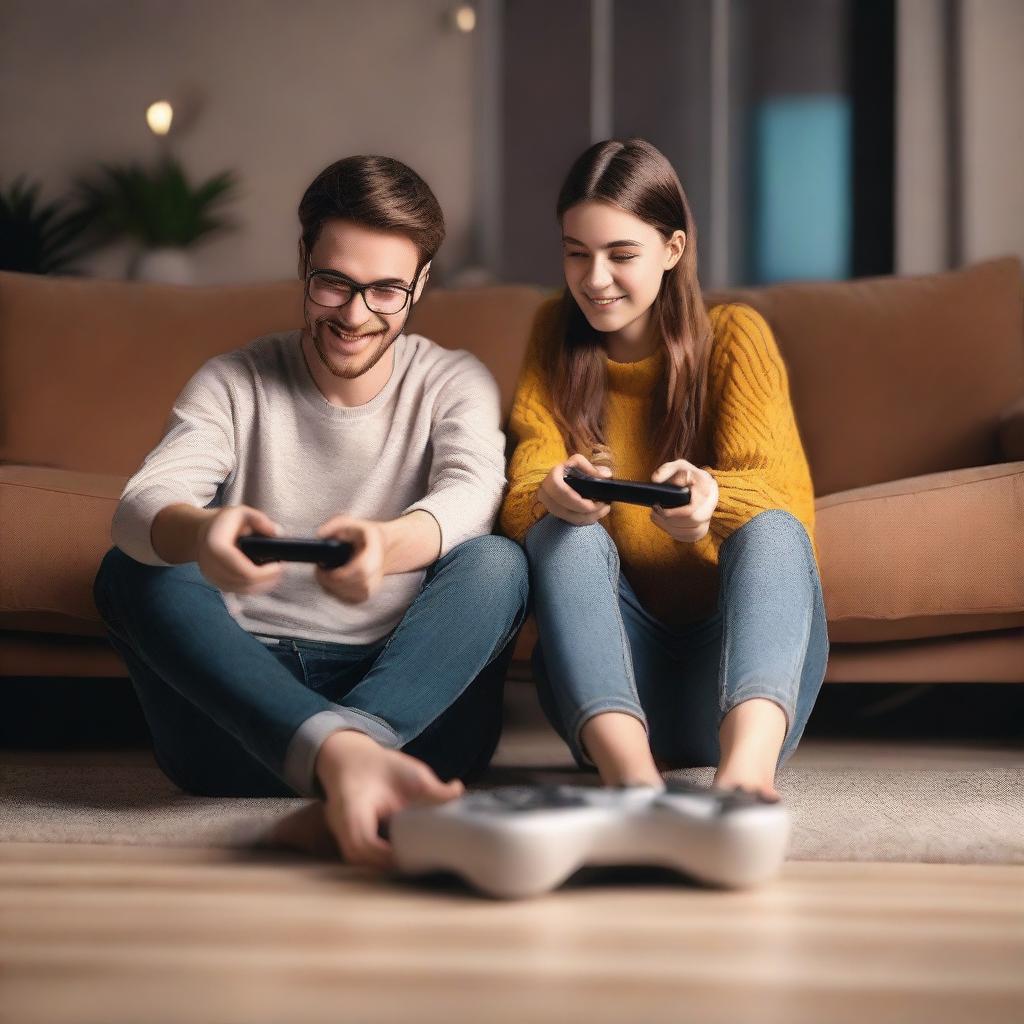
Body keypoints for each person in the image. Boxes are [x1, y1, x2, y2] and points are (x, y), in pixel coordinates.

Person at [93, 155, 529, 868]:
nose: (355, 315)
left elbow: (472, 495)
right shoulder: (234, 380)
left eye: (387, 290)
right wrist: (202, 533)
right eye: (334, 282)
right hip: (244, 713)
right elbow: (140, 506)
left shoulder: (453, 380)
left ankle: (345, 755)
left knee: (498, 563)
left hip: (410, 704)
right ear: (303, 261)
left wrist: (385, 547)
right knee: (132, 567)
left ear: (422, 283)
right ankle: (344, 766)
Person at [499, 138, 829, 802]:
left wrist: (709, 504)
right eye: (576, 253)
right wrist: (551, 496)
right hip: (610, 689)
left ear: (673, 249)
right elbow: (520, 491)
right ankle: (634, 785)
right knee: (560, 531)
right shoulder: (551, 333)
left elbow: (782, 499)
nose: (594, 279)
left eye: (621, 255)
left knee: (771, 531)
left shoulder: (735, 334)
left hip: (737, 681)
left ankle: (743, 784)